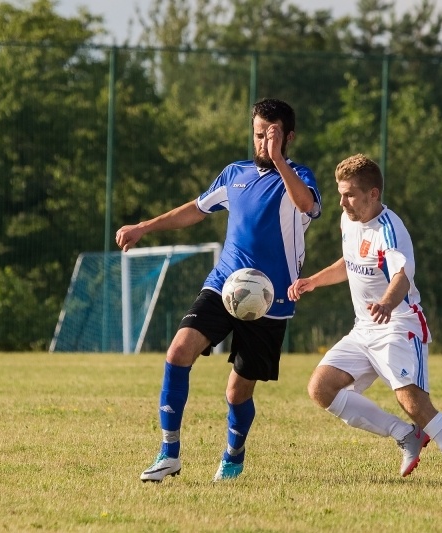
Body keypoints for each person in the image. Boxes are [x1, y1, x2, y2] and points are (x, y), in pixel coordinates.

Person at [116, 98, 322, 483]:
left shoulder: (298, 176)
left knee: (237, 393)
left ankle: (233, 454)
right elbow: (195, 209)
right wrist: (145, 227)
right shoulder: (235, 174)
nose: (263, 143)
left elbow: (307, 205)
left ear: (289, 137)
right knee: (178, 351)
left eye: (272, 136)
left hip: (270, 301)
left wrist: (278, 159)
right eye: (259, 135)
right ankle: (168, 452)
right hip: (225, 285)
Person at [287, 154, 442, 489]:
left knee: (414, 403)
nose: (342, 202)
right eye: (340, 193)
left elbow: (402, 276)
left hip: (399, 323)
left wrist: (387, 304)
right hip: (364, 329)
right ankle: (405, 434)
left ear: (373, 194)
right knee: (321, 387)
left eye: (350, 195)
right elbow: (350, 261)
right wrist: (314, 280)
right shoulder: (349, 220)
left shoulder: (390, 230)